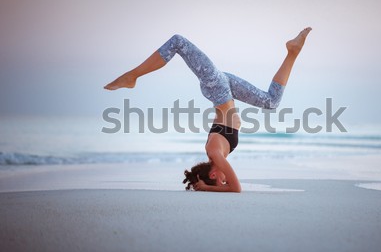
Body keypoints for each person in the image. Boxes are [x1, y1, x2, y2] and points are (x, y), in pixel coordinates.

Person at [104, 27, 312, 192]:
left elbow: (236, 188)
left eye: (220, 181)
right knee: (271, 102)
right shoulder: (216, 154)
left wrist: (206, 188)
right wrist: (204, 185)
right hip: (223, 87)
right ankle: (293, 51)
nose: (224, 180)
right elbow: (230, 185)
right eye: (222, 182)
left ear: (213, 175)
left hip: (217, 88)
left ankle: (132, 76)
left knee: (178, 42)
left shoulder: (214, 153)